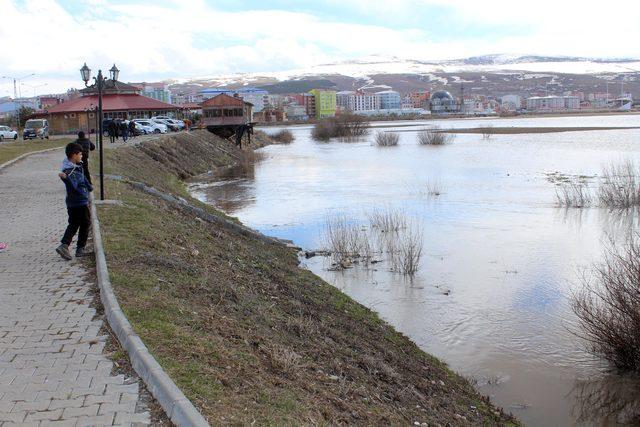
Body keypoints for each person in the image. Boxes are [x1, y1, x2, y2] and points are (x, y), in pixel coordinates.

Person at [55, 143, 93, 260]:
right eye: (80, 154)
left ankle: (65, 245)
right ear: (73, 155)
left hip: (73, 202)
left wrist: (89, 186)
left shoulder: (76, 166)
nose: (81, 156)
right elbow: (72, 184)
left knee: (74, 223)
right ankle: (79, 248)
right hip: (78, 202)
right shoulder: (70, 170)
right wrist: (65, 179)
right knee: (85, 223)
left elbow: (83, 178)